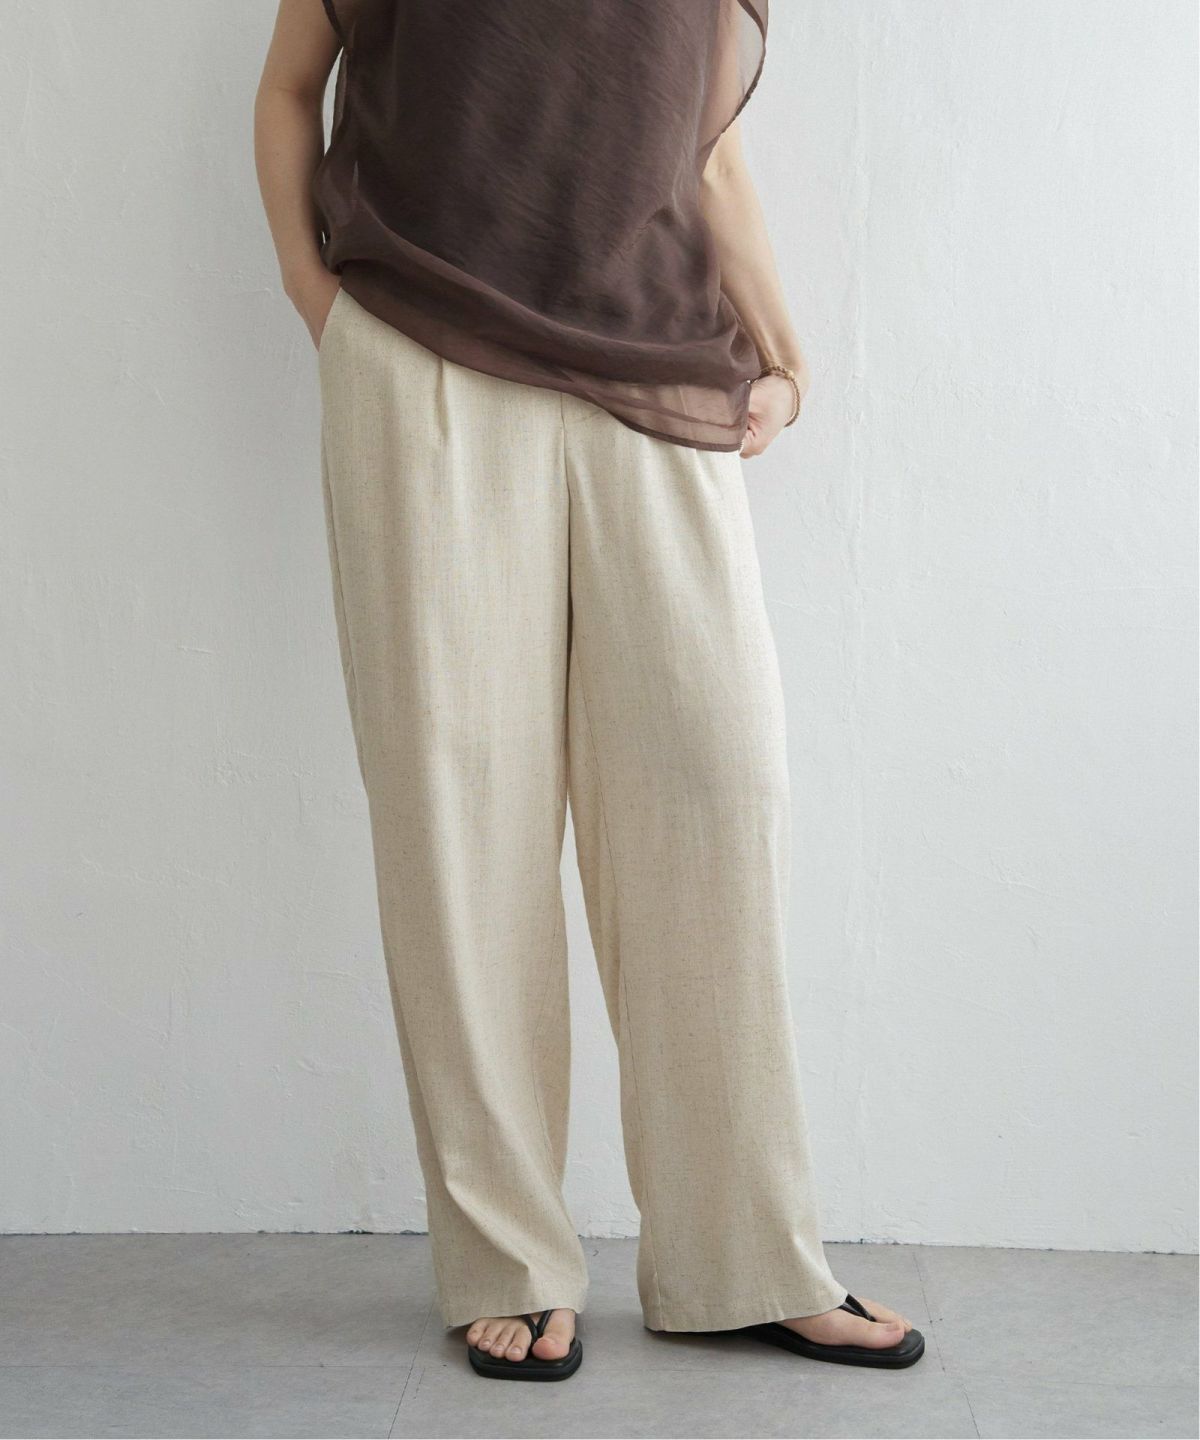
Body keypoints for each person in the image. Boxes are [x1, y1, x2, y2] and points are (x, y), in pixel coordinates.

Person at [254, 0, 924, 1381]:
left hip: (659, 376)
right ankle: (506, 1258)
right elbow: (287, 91)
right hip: (422, 360)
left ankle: (743, 1256)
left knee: (716, 791)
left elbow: (706, 152)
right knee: (462, 820)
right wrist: (316, 297)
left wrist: (787, 353)